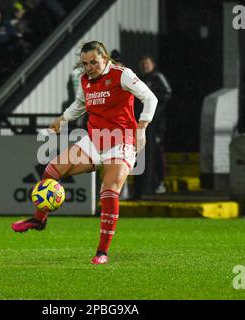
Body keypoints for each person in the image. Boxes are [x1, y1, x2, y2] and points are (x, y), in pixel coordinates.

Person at [11, 41, 158, 264]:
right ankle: (39, 219)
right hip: (93, 141)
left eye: (94, 62)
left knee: (108, 191)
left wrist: (142, 127)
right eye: (85, 63)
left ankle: (102, 252)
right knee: (52, 169)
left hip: (121, 141)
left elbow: (150, 98)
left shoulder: (122, 75)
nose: (90, 67)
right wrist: (63, 119)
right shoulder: (85, 81)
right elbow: (80, 104)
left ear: (105, 59)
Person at [133, 55, 172, 196]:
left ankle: (158, 182)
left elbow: (167, 94)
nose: (145, 66)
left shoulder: (157, 78)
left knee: (155, 153)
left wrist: (151, 102)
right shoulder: (137, 80)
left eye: (147, 63)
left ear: (153, 64)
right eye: (143, 64)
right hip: (141, 125)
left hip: (155, 125)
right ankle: (143, 186)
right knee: (141, 155)